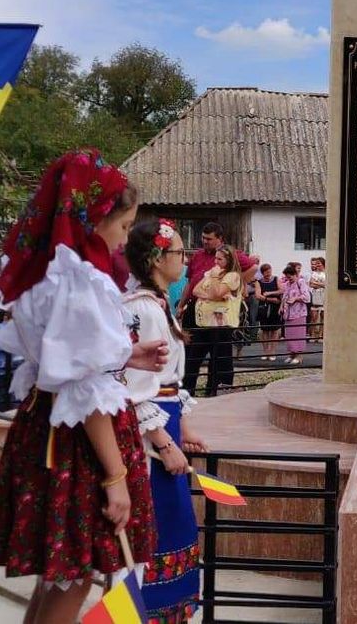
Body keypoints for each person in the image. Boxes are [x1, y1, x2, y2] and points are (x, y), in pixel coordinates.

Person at [0, 149, 168, 624]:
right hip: (77, 446)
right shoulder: (82, 280)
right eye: (124, 227)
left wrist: (125, 354)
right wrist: (115, 477)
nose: (125, 240)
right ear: (95, 218)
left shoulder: (47, 273)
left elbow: (57, 358)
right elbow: (84, 391)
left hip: (45, 430)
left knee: (59, 575)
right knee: (76, 571)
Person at [123, 219, 206, 622]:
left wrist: (182, 428)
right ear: (156, 258)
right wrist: (164, 441)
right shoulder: (142, 309)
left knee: (173, 523)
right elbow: (139, 386)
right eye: (177, 252)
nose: (184, 259)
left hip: (165, 424)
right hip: (150, 438)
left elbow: (169, 382)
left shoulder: (159, 304)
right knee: (157, 526)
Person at [178, 223, 257, 396]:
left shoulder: (230, 254)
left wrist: (236, 284)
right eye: (203, 238)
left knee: (219, 352)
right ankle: (187, 389)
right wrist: (181, 305)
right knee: (191, 350)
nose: (204, 241)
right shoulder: (198, 256)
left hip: (220, 311)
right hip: (197, 306)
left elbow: (253, 267)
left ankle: (216, 389)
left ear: (219, 239)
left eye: (209, 239)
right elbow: (191, 283)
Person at [190, 247, 243, 394]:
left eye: (220, 259)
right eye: (216, 258)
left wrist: (213, 280)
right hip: (204, 324)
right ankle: (188, 390)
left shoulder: (232, 276)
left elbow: (216, 293)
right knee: (193, 359)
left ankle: (215, 391)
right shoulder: (211, 273)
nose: (216, 262)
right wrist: (210, 294)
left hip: (222, 325)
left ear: (229, 260)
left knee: (219, 361)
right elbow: (196, 290)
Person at [280, 264, 311, 365]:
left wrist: (296, 299)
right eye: (287, 277)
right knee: (289, 335)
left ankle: (299, 355)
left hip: (299, 313)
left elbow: (307, 297)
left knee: (298, 334)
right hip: (288, 313)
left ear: (295, 274)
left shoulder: (301, 282)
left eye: (290, 277)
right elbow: (284, 296)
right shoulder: (287, 284)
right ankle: (291, 354)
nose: (289, 279)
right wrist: (281, 306)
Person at [257, 264, 283, 362]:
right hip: (263, 307)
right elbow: (258, 295)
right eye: (266, 272)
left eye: (269, 271)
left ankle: (272, 351)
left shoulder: (276, 279)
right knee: (264, 330)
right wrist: (271, 299)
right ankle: (265, 351)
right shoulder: (258, 282)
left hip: (274, 308)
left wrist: (269, 294)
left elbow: (282, 290)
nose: (268, 274)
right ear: (262, 273)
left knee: (274, 329)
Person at [309, 257, 326, 342]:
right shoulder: (314, 273)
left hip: (324, 296)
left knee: (323, 316)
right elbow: (311, 284)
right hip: (316, 296)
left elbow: (327, 285)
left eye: (319, 263)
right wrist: (321, 285)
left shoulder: (327, 273)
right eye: (316, 263)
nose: (317, 265)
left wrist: (316, 283)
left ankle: (321, 335)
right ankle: (313, 335)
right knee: (314, 317)